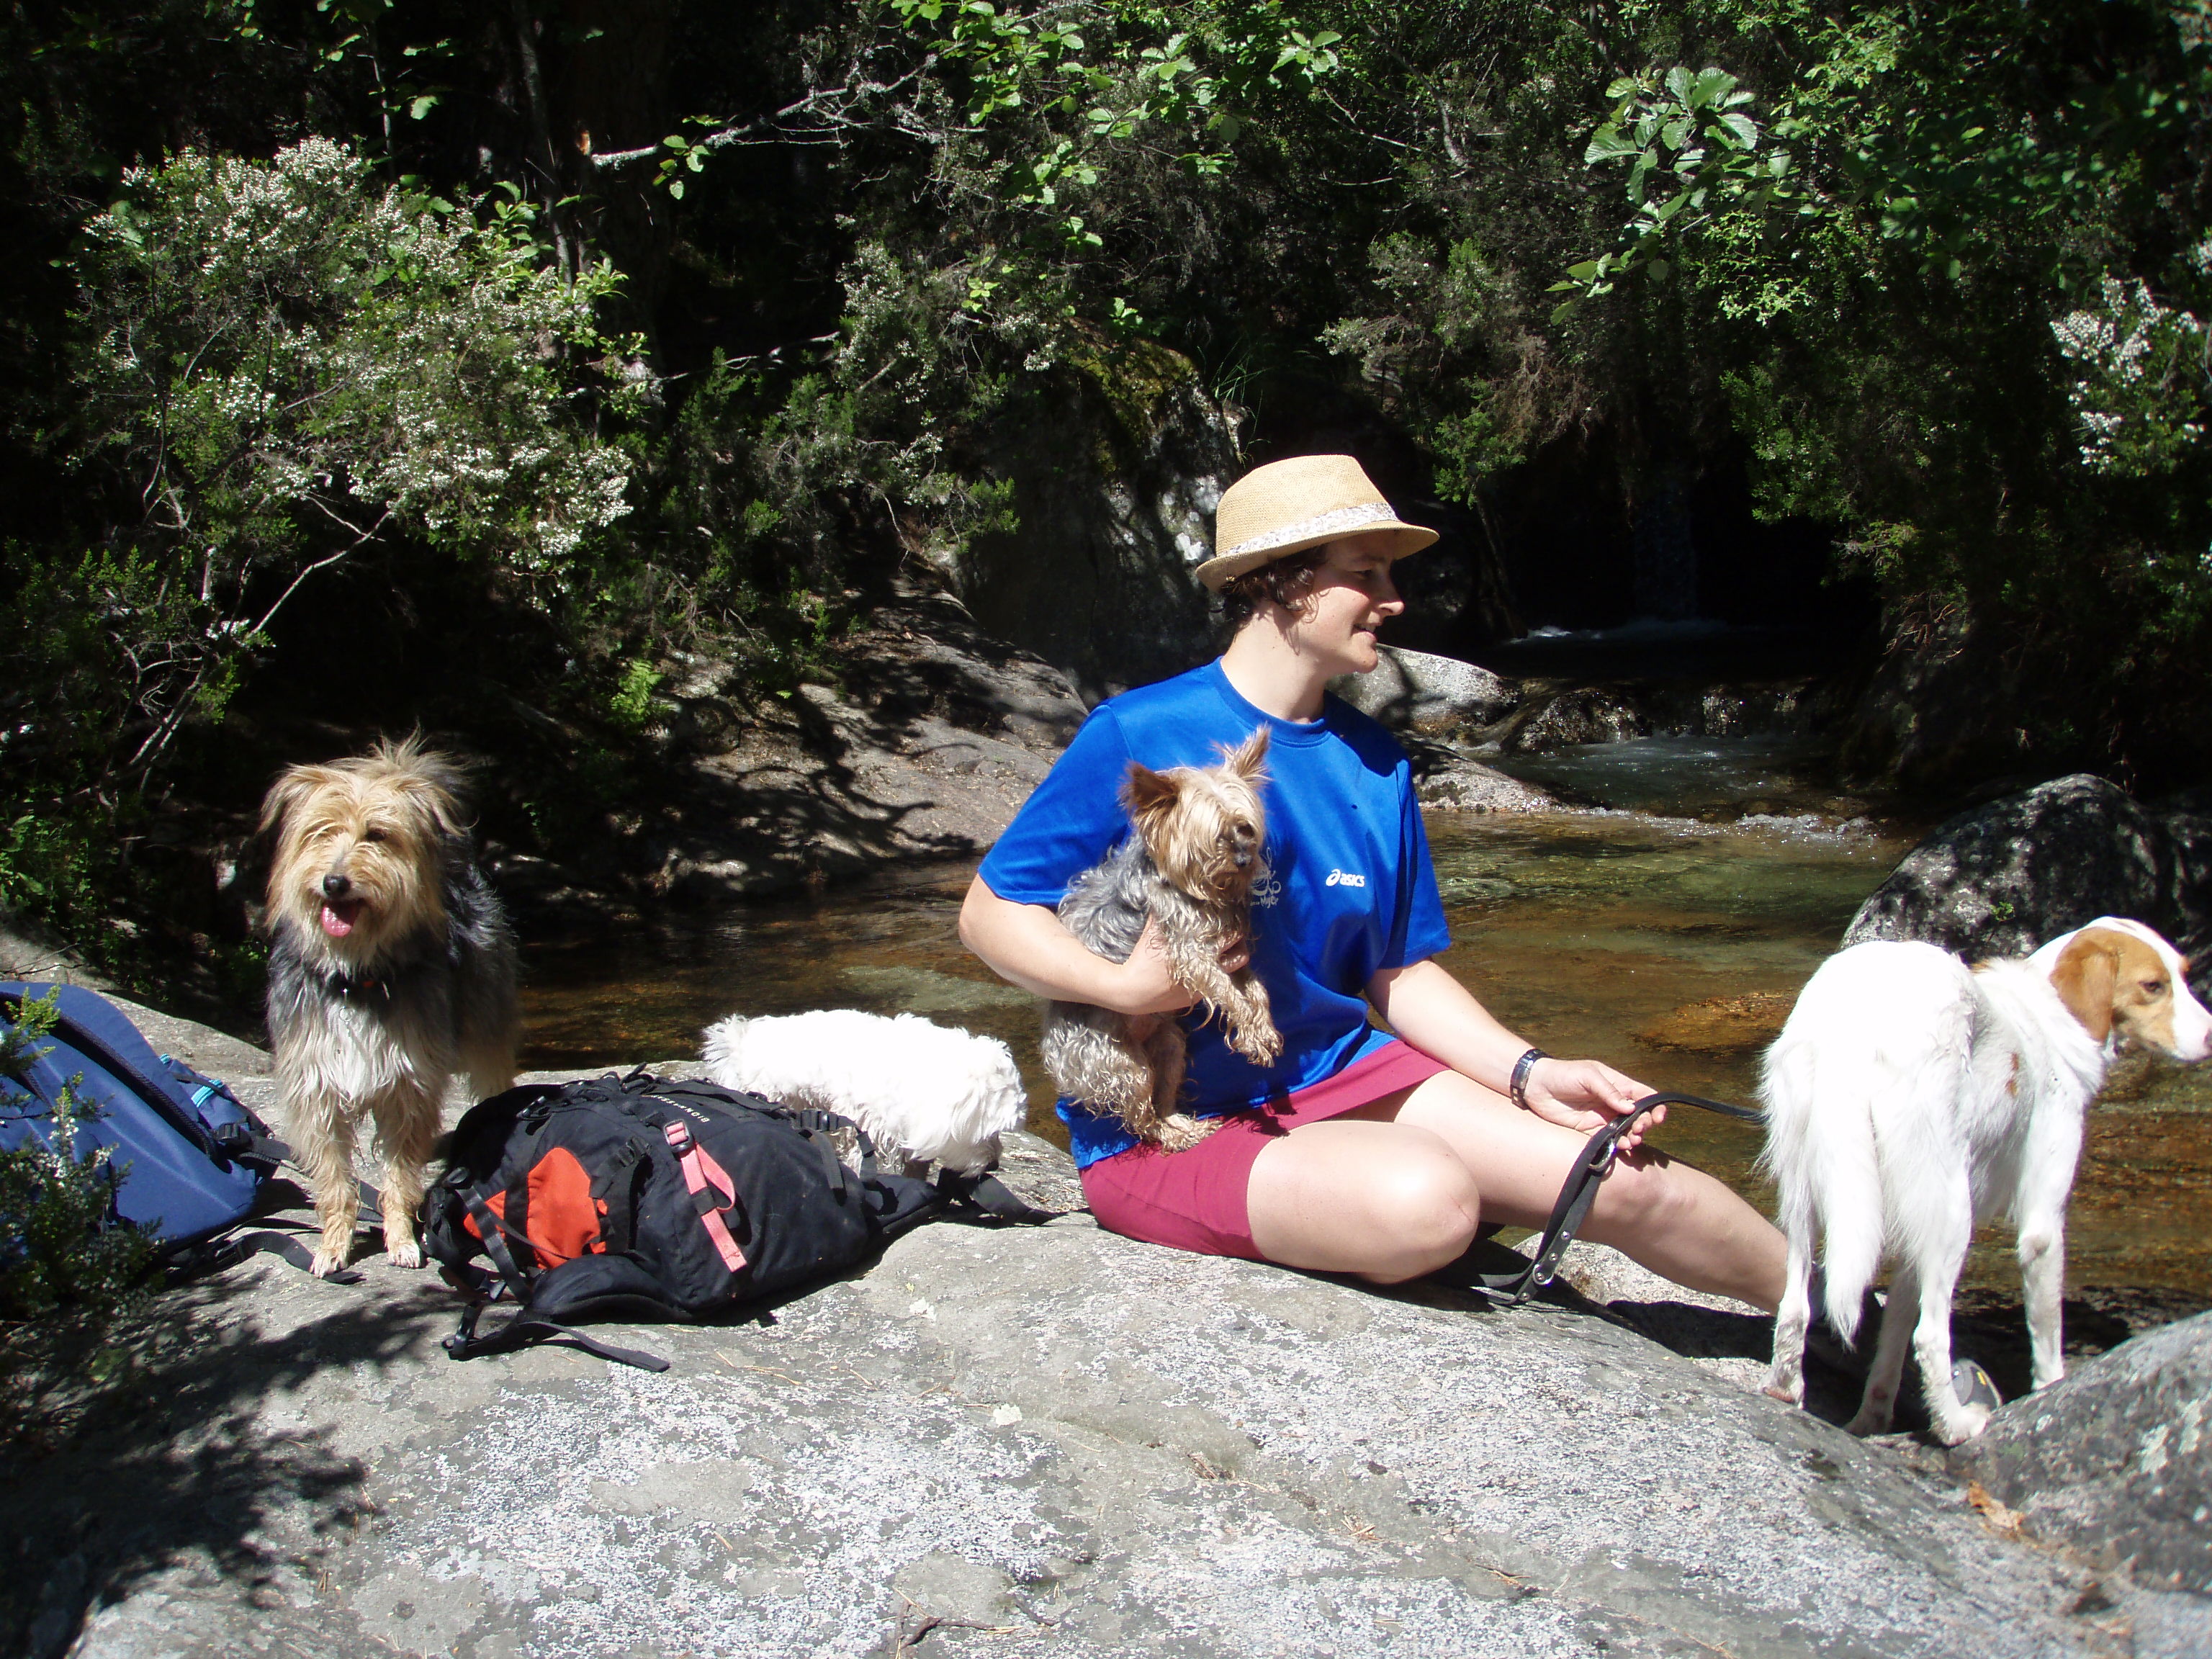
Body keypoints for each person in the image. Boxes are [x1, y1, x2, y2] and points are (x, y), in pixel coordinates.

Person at [958, 454, 1786, 1308]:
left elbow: (1399, 971)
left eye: (1390, 574)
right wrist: (1125, 987)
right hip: (1168, 1128)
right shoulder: (1139, 732)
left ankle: (1850, 1334)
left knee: (1630, 1181)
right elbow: (991, 913)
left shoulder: (1378, 763)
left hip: (1343, 1075)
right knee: (1429, 1203)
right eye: (1366, 573)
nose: (1394, 600)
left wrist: (1530, 1073)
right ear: (1280, 583)